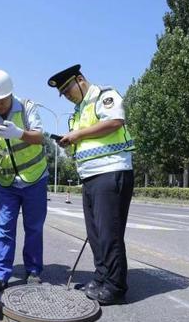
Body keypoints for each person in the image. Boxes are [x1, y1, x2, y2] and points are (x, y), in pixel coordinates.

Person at [47, 64, 135, 305]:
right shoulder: (79, 111)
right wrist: (70, 140)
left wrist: (78, 135)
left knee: (109, 234)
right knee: (95, 234)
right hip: (91, 177)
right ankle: (101, 278)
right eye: (63, 94)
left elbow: (115, 121)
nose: (67, 96)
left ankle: (116, 287)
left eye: (68, 90)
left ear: (80, 79)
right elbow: (85, 139)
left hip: (111, 172)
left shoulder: (103, 96)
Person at [0, 70, 48, 296]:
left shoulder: (27, 107)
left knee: (34, 228)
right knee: (4, 228)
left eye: (2, 100)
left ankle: (33, 271)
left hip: (34, 179)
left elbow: (40, 136)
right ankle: (0, 276)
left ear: (11, 94)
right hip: (6, 182)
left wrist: (19, 133)